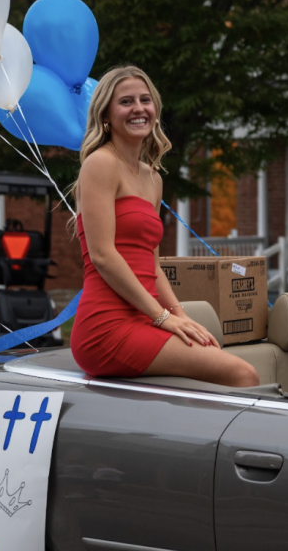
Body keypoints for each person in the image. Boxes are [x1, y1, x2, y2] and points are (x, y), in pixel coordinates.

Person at [70, 66, 260, 387]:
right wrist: (162, 317)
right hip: (106, 325)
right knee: (243, 374)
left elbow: (153, 266)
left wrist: (180, 316)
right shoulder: (100, 163)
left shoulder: (152, 178)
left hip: (146, 317)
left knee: (213, 350)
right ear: (106, 114)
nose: (138, 108)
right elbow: (103, 256)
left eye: (145, 100)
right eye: (126, 101)